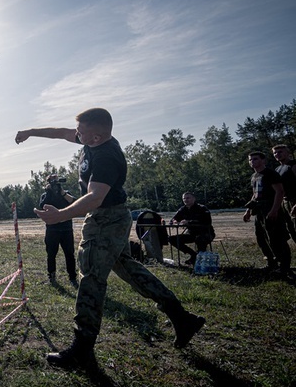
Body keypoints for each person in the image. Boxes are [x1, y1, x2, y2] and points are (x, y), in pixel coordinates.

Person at [15, 108, 205, 369]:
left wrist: (60, 216)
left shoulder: (107, 156)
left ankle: (82, 347)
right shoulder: (91, 140)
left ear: (96, 136)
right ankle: (182, 318)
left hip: (106, 219)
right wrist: (29, 132)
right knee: (129, 268)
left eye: (81, 132)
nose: (76, 135)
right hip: (106, 217)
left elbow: (95, 197)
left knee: (91, 276)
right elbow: (60, 132)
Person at [243, 151, 292, 275]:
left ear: (263, 160)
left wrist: (274, 210)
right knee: (262, 238)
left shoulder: (271, 174)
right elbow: (255, 194)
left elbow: (280, 192)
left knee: (277, 238)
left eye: (255, 159)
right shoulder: (254, 176)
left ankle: (284, 267)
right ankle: (271, 263)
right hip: (259, 211)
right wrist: (248, 210)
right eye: (250, 160)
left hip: (270, 208)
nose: (252, 162)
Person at [39, 173, 78, 286]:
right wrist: (49, 192)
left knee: (69, 254)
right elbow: (42, 205)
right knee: (51, 254)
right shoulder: (46, 195)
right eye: (52, 180)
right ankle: (51, 277)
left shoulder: (65, 193)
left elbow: (74, 202)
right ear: (48, 182)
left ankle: (72, 278)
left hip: (66, 229)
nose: (55, 182)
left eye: (56, 180)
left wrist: (62, 193)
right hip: (52, 230)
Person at [169, 192, 215, 265]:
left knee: (200, 239)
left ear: (194, 199)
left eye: (188, 198)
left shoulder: (202, 208)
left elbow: (207, 222)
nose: (186, 200)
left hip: (205, 233)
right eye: (184, 198)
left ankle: (201, 261)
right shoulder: (183, 209)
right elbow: (174, 219)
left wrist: (189, 222)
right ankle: (194, 255)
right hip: (191, 233)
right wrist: (173, 221)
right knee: (172, 239)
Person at [271, 144, 296, 242]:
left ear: (287, 153)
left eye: (280, 152)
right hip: (285, 202)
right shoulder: (278, 169)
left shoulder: (293, 165)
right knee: (292, 229)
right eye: (275, 153)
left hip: (294, 201)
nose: (277, 154)